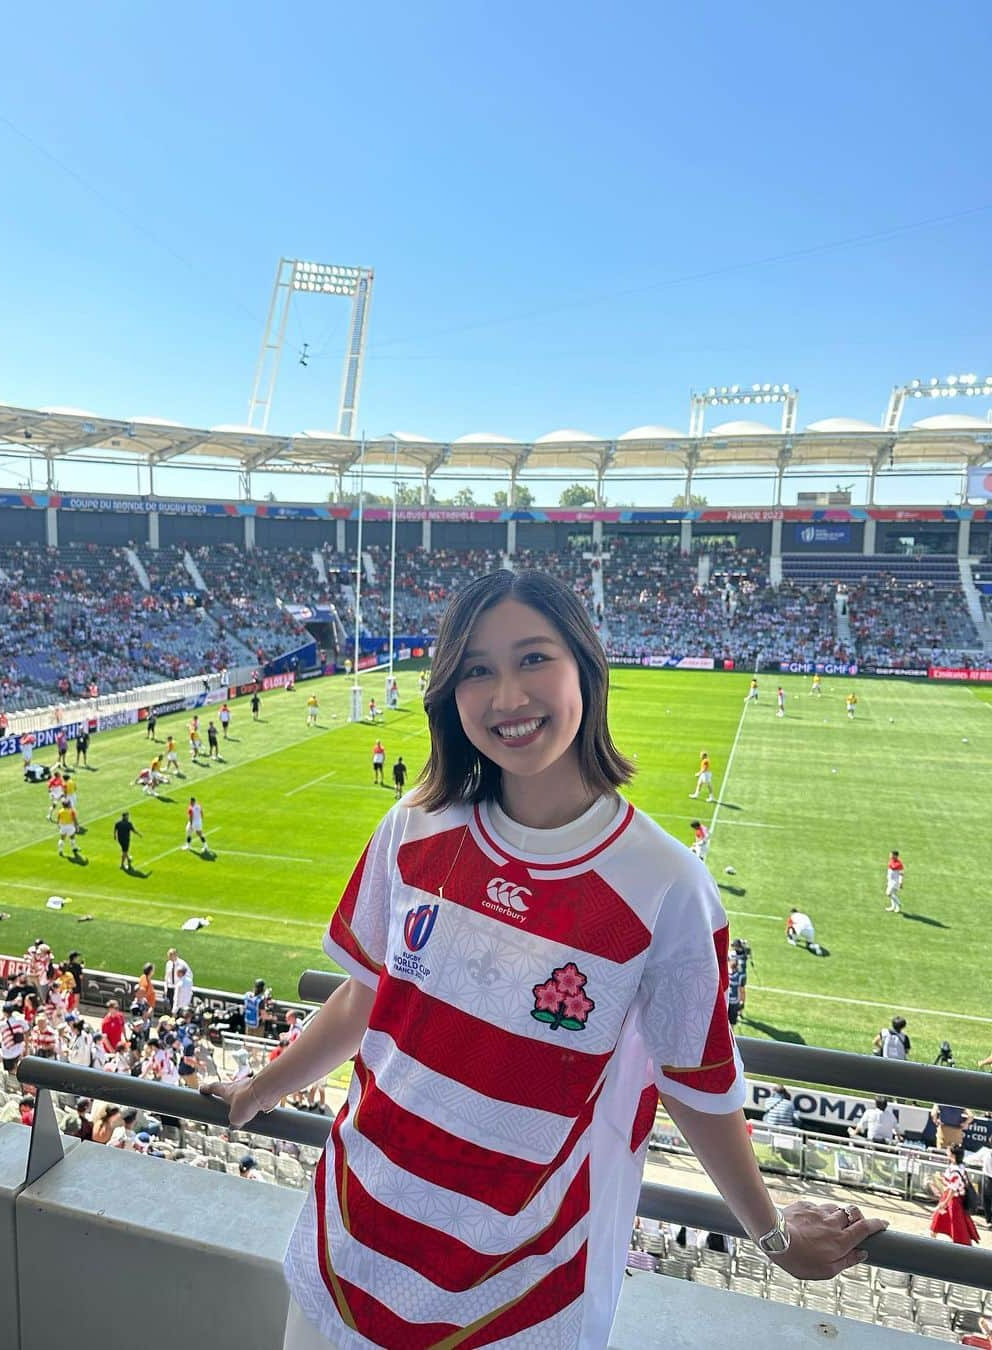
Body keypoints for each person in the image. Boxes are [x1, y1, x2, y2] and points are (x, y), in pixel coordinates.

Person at [202, 568, 885, 1350]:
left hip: (517, 1293)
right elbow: (363, 1002)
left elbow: (695, 1089)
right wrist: (258, 1089)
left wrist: (775, 1239)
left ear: (585, 669)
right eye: (476, 670)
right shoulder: (414, 827)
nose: (506, 698)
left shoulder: (664, 886)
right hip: (349, 1236)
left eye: (533, 659)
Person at [929, 1145, 980, 1245]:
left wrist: (944, 1202)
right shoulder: (959, 1167)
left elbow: (952, 1189)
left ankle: (934, 1240)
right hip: (951, 1198)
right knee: (940, 1222)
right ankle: (932, 1240)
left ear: (953, 1155)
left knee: (956, 1226)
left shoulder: (956, 1170)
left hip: (953, 1200)